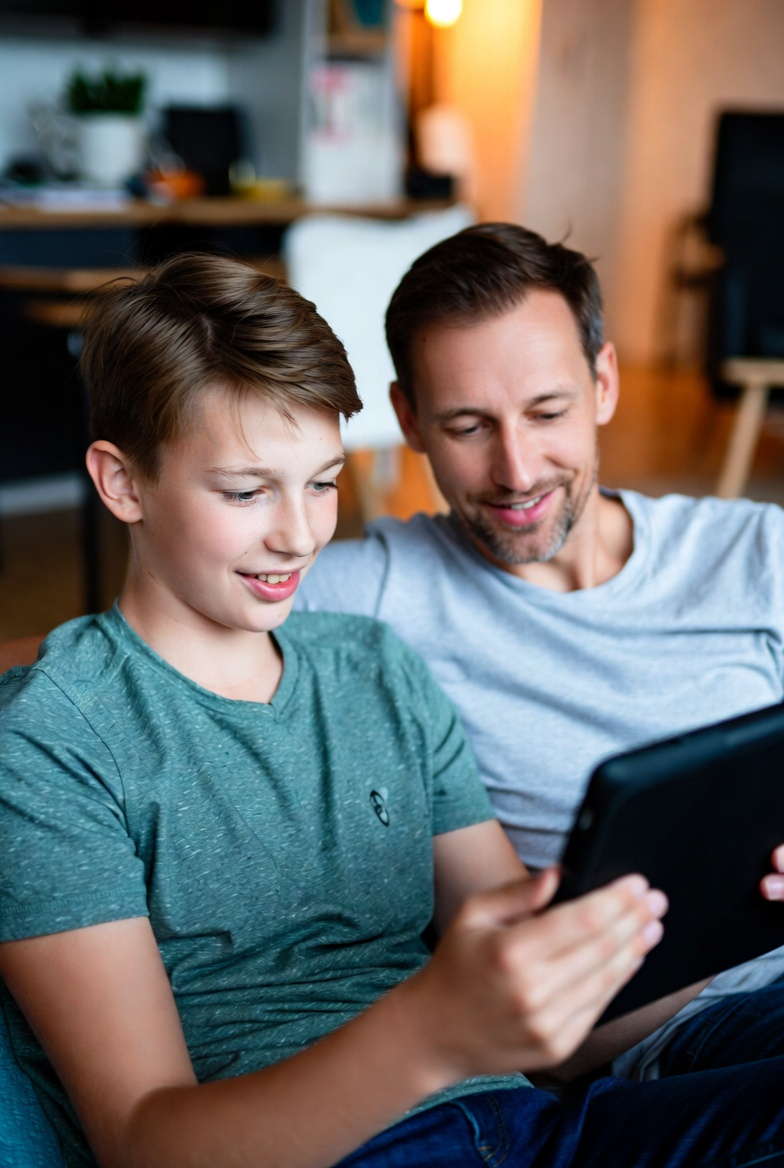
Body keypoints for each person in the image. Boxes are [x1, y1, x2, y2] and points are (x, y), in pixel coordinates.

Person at [0, 252, 783, 1168]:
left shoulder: (380, 667)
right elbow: (145, 1143)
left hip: (540, 1129)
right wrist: (430, 1033)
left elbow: (533, 987)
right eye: (248, 490)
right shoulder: (51, 742)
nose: (299, 534)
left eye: (324, 481)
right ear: (123, 483)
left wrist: (737, 906)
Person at [296, 221, 784, 1080]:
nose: (517, 470)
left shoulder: (757, 555)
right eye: (467, 425)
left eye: (547, 412)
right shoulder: (381, 590)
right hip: (689, 1045)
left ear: (603, 384)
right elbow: (120, 641)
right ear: (408, 419)